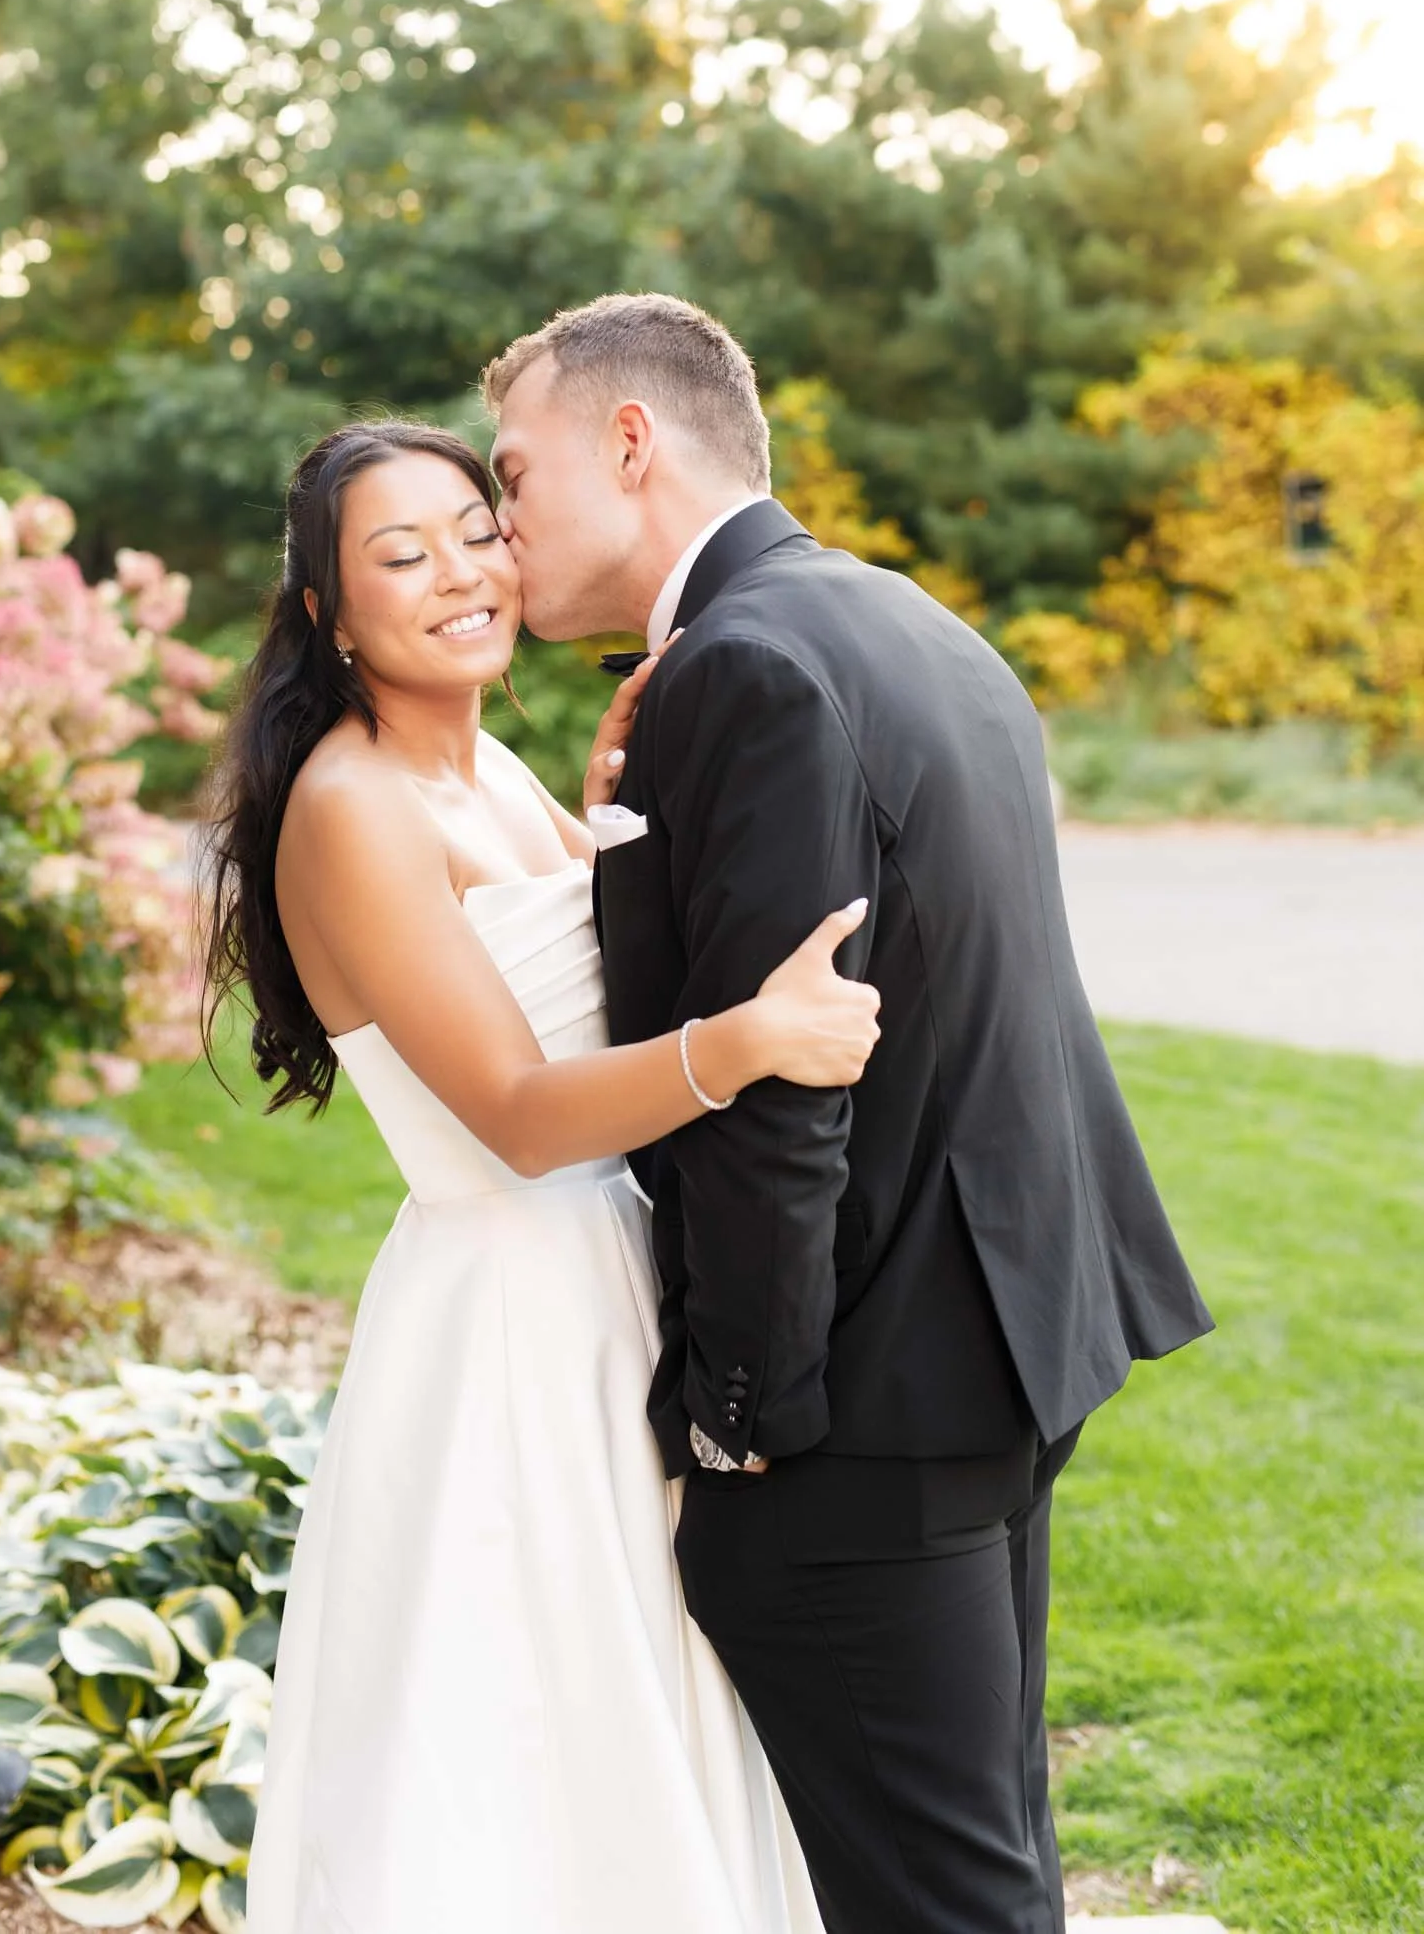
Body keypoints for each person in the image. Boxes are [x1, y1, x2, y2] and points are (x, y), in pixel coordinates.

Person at [484, 293, 1214, 1934]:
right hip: (1004, 1340)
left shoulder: (738, 668)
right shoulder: (895, 620)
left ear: (628, 441)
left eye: (513, 473)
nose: (498, 519)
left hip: (861, 1411)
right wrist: (624, 832)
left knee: (935, 1904)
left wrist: (738, 1415)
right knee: (983, 1860)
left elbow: (779, 1098)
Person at [212, 420, 876, 1934]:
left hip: (606, 1282)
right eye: (399, 556)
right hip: (508, 1315)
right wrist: (749, 1042)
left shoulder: (490, 763)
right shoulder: (352, 804)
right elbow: (515, 1111)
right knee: (527, 1713)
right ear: (328, 613)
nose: (457, 573)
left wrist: (606, 824)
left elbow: (587, 955)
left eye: (472, 529)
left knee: (641, 1690)